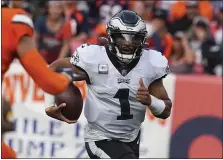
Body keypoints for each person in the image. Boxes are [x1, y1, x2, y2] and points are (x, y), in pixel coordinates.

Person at [44, 10, 172, 158]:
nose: (128, 44)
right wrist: (49, 103)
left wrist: (151, 101)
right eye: (121, 37)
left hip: (131, 139)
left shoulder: (151, 63)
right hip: (100, 138)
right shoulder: (94, 58)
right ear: (111, 36)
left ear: (143, 39)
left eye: (134, 38)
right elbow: (52, 70)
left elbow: (165, 111)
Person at [2, 1, 72, 95]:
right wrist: (68, 76)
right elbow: (52, 84)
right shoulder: (15, 20)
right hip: (43, 56)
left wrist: (59, 61)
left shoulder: (65, 24)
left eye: (58, 8)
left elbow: (66, 44)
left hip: (55, 56)